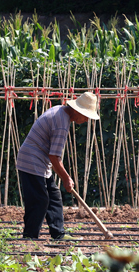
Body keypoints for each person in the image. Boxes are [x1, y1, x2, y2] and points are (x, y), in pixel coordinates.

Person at [16, 92, 99, 240]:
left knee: (54, 196)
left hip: (39, 161)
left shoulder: (60, 111)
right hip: (31, 160)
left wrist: (65, 177)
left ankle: (58, 234)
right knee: (39, 200)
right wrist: (66, 178)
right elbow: (54, 157)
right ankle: (29, 236)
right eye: (86, 116)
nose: (86, 120)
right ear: (77, 111)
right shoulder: (61, 124)